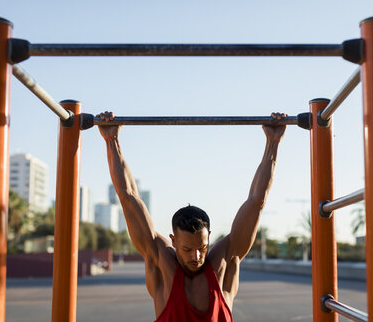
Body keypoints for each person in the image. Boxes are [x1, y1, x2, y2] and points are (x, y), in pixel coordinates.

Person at [98, 111, 287, 322]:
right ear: (173, 241)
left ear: (209, 239)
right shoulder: (162, 263)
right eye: (187, 249)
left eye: (202, 248)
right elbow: (128, 198)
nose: (196, 257)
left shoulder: (222, 264)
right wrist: (112, 140)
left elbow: (256, 201)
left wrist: (273, 142)